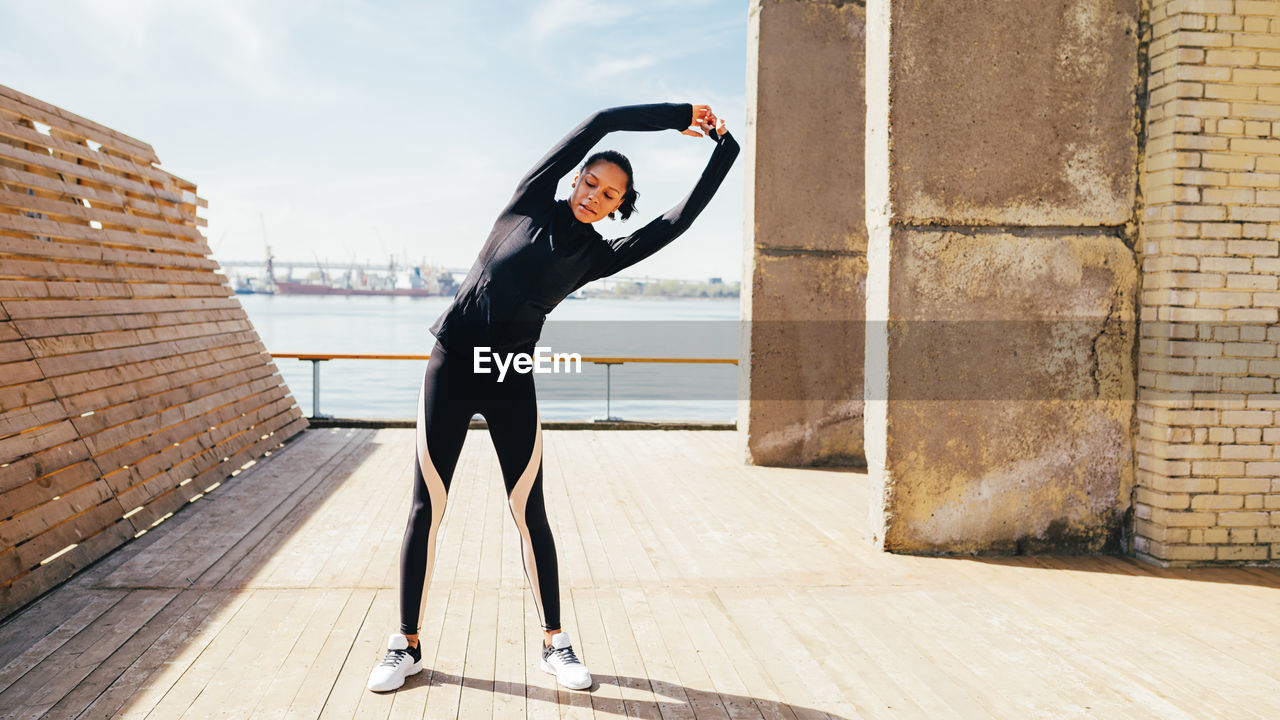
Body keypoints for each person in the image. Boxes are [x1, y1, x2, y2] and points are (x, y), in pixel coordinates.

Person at [367, 102, 739, 693]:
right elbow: (598, 123)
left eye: (611, 196)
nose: (596, 195)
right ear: (574, 179)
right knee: (428, 506)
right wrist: (677, 117)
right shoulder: (528, 202)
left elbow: (675, 223)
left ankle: (554, 642)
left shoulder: (596, 256)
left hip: (511, 372)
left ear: (618, 208)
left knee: (528, 510)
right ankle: (405, 643)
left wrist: (725, 153)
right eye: (592, 182)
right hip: (452, 365)